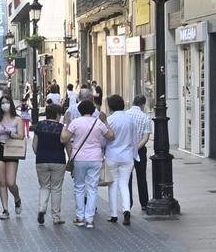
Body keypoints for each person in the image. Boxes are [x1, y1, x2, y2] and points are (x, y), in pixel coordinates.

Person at [60, 100, 113, 228]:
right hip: (96, 158)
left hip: (79, 158)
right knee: (92, 188)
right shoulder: (98, 122)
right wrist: (105, 120)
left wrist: (66, 122)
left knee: (79, 187)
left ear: (79, 111)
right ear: (93, 110)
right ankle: (89, 219)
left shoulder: (75, 122)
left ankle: (80, 217)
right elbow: (111, 136)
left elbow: (63, 138)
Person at [103, 95, 139, 226]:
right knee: (124, 184)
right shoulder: (130, 120)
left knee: (112, 185)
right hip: (127, 156)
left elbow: (104, 140)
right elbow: (135, 140)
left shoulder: (110, 120)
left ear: (111, 106)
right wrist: (135, 156)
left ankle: (113, 214)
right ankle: (126, 209)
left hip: (112, 155)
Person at [33, 103, 67, 225]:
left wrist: (40, 154)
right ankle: (56, 217)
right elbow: (67, 144)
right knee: (56, 188)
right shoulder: (61, 127)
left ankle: (42, 209)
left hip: (42, 160)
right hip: (58, 160)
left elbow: (34, 145)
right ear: (58, 114)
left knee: (44, 186)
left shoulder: (40, 126)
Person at [0, 98, 25, 219]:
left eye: (7, 102)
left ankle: (17, 198)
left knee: (11, 182)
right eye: (2, 103)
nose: (5, 105)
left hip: (12, 149)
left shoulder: (17, 119)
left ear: (10, 104)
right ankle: (5, 209)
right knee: (2, 182)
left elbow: (21, 136)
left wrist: (9, 133)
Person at [128, 95, 153, 212]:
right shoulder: (145, 117)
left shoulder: (126, 115)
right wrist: (136, 148)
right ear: (143, 105)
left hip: (126, 150)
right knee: (141, 177)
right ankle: (144, 203)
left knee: (127, 177)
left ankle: (128, 203)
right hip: (140, 150)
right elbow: (146, 137)